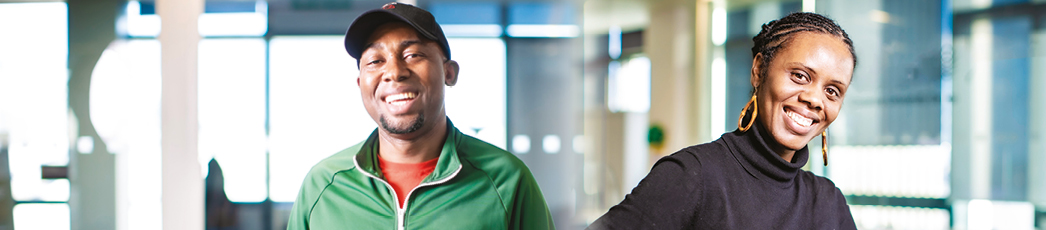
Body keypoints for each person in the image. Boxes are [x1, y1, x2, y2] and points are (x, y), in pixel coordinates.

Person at [287, 2, 554, 229]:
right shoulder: (323, 185)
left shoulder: (506, 180)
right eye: (375, 61)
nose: (394, 71)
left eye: (412, 54)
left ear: (449, 73)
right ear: (360, 84)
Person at [587, 12, 857, 230]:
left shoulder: (828, 202)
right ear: (758, 70)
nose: (815, 99)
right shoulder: (691, 175)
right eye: (799, 76)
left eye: (832, 91)